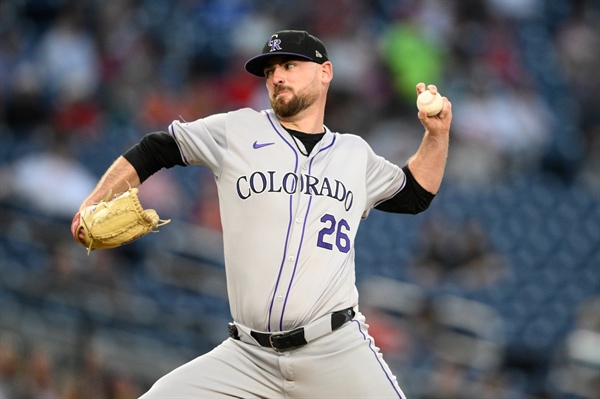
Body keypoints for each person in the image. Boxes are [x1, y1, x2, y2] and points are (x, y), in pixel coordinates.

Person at [72, 30, 452, 399]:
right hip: (247, 356)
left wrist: (436, 135)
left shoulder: (355, 154)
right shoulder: (239, 128)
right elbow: (158, 147)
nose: (277, 76)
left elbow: (415, 193)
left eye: (289, 65)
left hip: (334, 350)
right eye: (270, 71)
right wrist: (92, 203)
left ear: (325, 72)